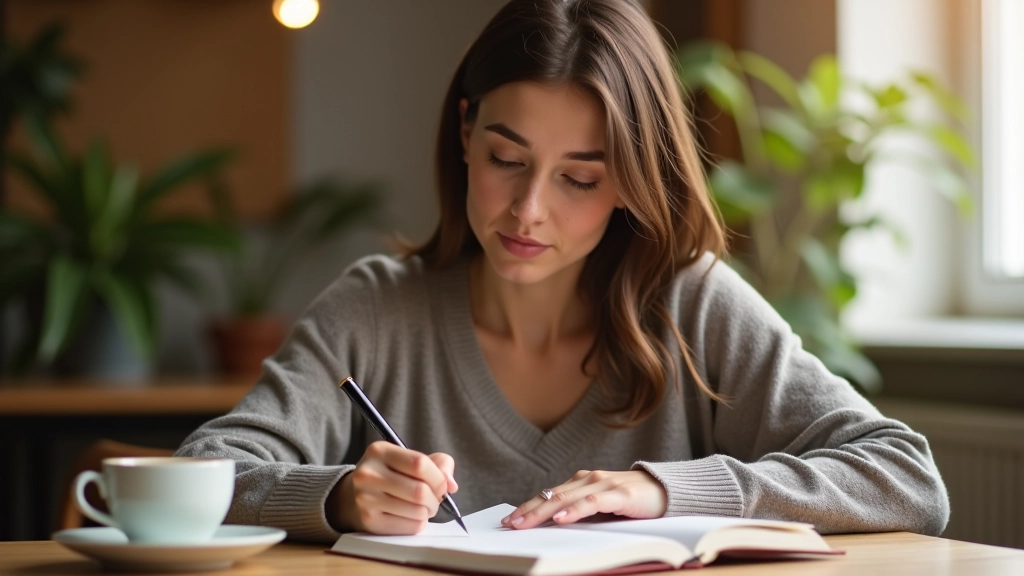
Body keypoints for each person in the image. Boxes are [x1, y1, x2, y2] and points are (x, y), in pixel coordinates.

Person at [176, 0, 948, 542]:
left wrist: (665, 490)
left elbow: (905, 476)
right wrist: (340, 496)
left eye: (579, 178)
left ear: (632, 182)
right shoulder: (375, 310)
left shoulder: (692, 304)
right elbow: (205, 472)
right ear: (466, 132)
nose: (529, 211)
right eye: (506, 159)